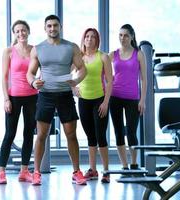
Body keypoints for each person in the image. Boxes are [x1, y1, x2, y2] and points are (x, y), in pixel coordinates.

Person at [27, 14, 87, 186]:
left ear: (60, 27)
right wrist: (33, 82)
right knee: (41, 135)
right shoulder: (38, 49)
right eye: (49, 26)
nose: (52, 28)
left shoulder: (71, 47)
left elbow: (82, 69)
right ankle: (36, 172)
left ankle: (76, 171)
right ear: (45, 28)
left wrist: (76, 81)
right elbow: (30, 72)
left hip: (65, 95)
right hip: (45, 94)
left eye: (55, 25)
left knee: (71, 135)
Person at [0, 20, 38, 184]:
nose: (21, 33)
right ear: (14, 34)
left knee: (28, 133)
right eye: (18, 31)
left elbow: (41, 71)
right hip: (14, 97)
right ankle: (2, 171)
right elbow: (4, 77)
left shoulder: (35, 50)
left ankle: (24, 170)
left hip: (33, 96)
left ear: (28, 31)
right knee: (10, 134)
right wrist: (6, 98)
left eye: (23, 30)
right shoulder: (8, 52)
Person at [73, 28, 113, 183]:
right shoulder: (79, 57)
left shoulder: (103, 57)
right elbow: (68, 73)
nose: (90, 39)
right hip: (83, 101)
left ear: (97, 40)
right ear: (83, 39)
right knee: (90, 136)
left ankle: (106, 171)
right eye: (87, 36)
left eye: (93, 37)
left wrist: (105, 102)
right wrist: (72, 88)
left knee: (101, 136)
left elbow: (110, 81)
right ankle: (93, 170)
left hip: (99, 100)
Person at [109, 24, 147, 170]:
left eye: (125, 35)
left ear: (131, 36)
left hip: (133, 99)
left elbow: (144, 79)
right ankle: (124, 165)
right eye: (120, 35)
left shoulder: (139, 54)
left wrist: (142, 100)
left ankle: (134, 163)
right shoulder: (113, 54)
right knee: (118, 132)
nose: (122, 38)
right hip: (115, 97)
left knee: (131, 131)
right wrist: (107, 83)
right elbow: (102, 71)